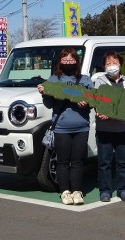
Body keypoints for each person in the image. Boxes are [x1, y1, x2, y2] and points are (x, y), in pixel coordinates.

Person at [37, 47, 94, 205]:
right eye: (65, 60)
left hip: (82, 126)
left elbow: (94, 99)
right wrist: (45, 93)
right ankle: (64, 191)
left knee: (77, 161)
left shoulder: (85, 79)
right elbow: (49, 105)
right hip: (61, 127)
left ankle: (77, 191)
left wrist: (87, 102)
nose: (68, 62)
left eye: (71, 60)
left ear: (77, 62)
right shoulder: (53, 80)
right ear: (60, 62)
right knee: (62, 161)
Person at [94, 50, 125, 202]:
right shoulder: (100, 81)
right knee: (104, 162)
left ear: (120, 64)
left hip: (123, 128)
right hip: (104, 128)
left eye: (114, 63)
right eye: (108, 63)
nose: (111, 66)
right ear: (104, 66)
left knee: (123, 161)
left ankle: (123, 190)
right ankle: (105, 191)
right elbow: (97, 102)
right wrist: (100, 110)